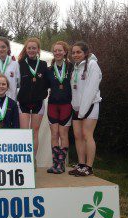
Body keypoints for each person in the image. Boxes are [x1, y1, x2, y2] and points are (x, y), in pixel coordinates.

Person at [69, 41, 102, 176]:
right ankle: (81, 164)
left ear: (85, 53)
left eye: (78, 52)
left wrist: (83, 110)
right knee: (78, 136)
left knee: (87, 135)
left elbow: (91, 89)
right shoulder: (75, 67)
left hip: (90, 105)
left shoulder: (93, 65)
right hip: (76, 107)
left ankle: (89, 167)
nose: (75, 55)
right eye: (73, 52)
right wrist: (75, 106)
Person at [17, 38, 49, 168]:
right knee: (24, 132)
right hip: (23, 102)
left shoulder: (43, 64)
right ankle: (24, 160)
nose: (31, 50)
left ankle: (33, 160)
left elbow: (47, 82)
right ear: (26, 49)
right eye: (29, 48)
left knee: (35, 132)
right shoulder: (19, 63)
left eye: (34, 48)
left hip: (38, 103)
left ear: (38, 50)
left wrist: (43, 94)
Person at [46, 41, 73, 174]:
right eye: (55, 51)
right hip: (52, 105)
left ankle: (61, 164)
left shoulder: (71, 67)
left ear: (65, 52)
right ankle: (55, 163)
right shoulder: (49, 70)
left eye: (60, 50)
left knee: (63, 134)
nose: (57, 53)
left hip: (66, 105)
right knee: (54, 134)